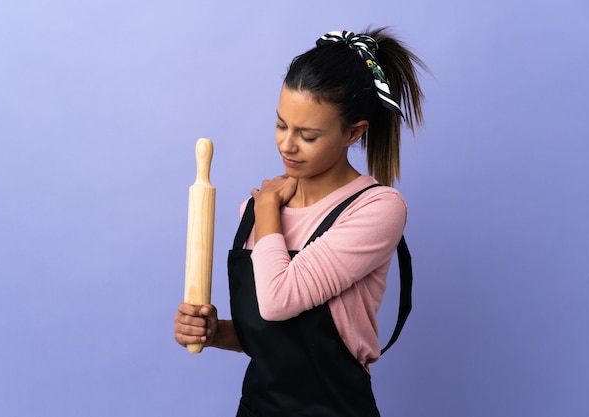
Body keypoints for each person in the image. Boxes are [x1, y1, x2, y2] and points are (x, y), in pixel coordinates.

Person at [174, 27, 426, 416]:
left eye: (307, 135)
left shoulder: (376, 209)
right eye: (281, 125)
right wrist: (216, 332)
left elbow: (278, 301)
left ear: (353, 132)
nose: (286, 145)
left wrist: (268, 210)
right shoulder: (255, 212)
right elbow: (272, 334)